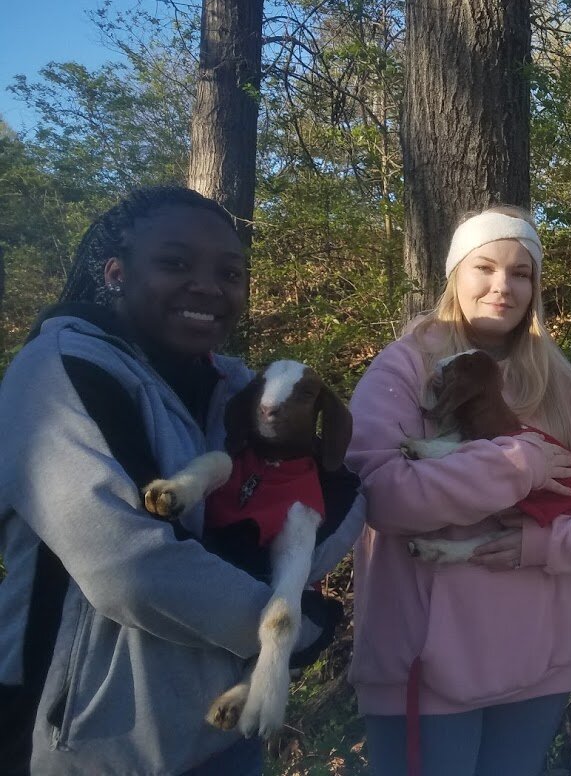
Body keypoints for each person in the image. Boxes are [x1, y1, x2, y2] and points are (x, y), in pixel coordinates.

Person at [0, 186, 364, 776]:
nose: (208, 286)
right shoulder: (62, 375)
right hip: (91, 745)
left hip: (221, 734)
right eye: (175, 263)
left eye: (230, 272)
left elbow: (319, 512)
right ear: (116, 271)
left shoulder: (235, 390)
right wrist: (291, 629)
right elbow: (133, 569)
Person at [346, 206, 571, 776]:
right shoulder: (409, 366)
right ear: (455, 273)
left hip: (541, 659)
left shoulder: (553, 375)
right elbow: (380, 492)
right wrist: (519, 463)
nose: (502, 287)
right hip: (426, 667)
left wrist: (548, 545)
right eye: (484, 267)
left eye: (521, 273)